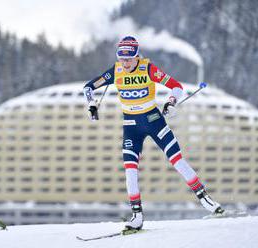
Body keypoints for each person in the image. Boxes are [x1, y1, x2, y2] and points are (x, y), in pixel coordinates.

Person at [83, 36, 224, 231]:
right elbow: (88, 87)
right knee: (130, 169)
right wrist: (91, 105)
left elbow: (176, 86)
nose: (125, 63)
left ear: (137, 56)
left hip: (153, 121)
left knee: (177, 159)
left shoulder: (148, 69)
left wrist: (171, 102)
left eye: (129, 59)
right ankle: (137, 216)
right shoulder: (115, 72)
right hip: (131, 125)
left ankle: (205, 199)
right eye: (122, 59)